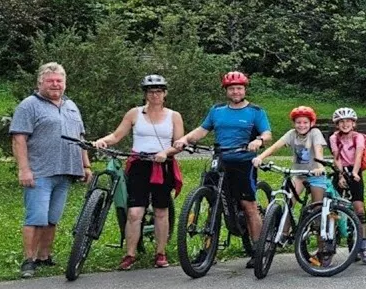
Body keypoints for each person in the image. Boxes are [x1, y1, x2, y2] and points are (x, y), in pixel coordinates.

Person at [174, 71, 272, 268]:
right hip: (219, 160)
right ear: (226, 91)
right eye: (232, 89)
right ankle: (207, 250)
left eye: (239, 88)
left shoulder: (255, 111)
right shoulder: (217, 110)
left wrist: (258, 141)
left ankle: (257, 249)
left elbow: (267, 133)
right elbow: (202, 130)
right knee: (212, 204)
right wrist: (185, 139)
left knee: (248, 205)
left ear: (244, 90)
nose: (235, 91)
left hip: (243, 161)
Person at [93, 74, 186, 270]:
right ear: (145, 94)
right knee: (135, 212)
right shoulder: (134, 114)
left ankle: (160, 253)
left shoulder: (174, 116)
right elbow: (117, 135)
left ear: (165, 94)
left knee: (161, 210)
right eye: (151, 92)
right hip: (139, 164)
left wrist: (165, 152)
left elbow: (179, 143)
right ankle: (130, 254)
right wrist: (103, 140)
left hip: (162, 165)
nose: (155, 95)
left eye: (159, 91)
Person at [10, 62, 92, 278]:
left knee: (52, 218)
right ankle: (28, 260)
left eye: (59, 81)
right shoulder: (29, 105)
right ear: (40, 83)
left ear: (64, 83)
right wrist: (24, 169)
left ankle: (44, 256)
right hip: (40, 172)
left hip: (65, 171)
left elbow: (80, 138)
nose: (55, 84)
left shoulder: (71, 106)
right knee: (36, 217)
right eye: (50, 81)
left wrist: (86, 164)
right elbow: (19, 139)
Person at [328, 107, 366, 264]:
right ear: (337, 124)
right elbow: (336, 157)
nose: (345, 124)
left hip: (355, 169)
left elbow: (359, 155)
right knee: (332, 206)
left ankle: (363, 243)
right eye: (341, 122)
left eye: (348, 121)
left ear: (353, 123)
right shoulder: (334, 138)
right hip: (341, 170)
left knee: (358, 207)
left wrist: (355, 173)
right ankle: (330, 241)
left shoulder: (358, 137)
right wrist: (340, 175)